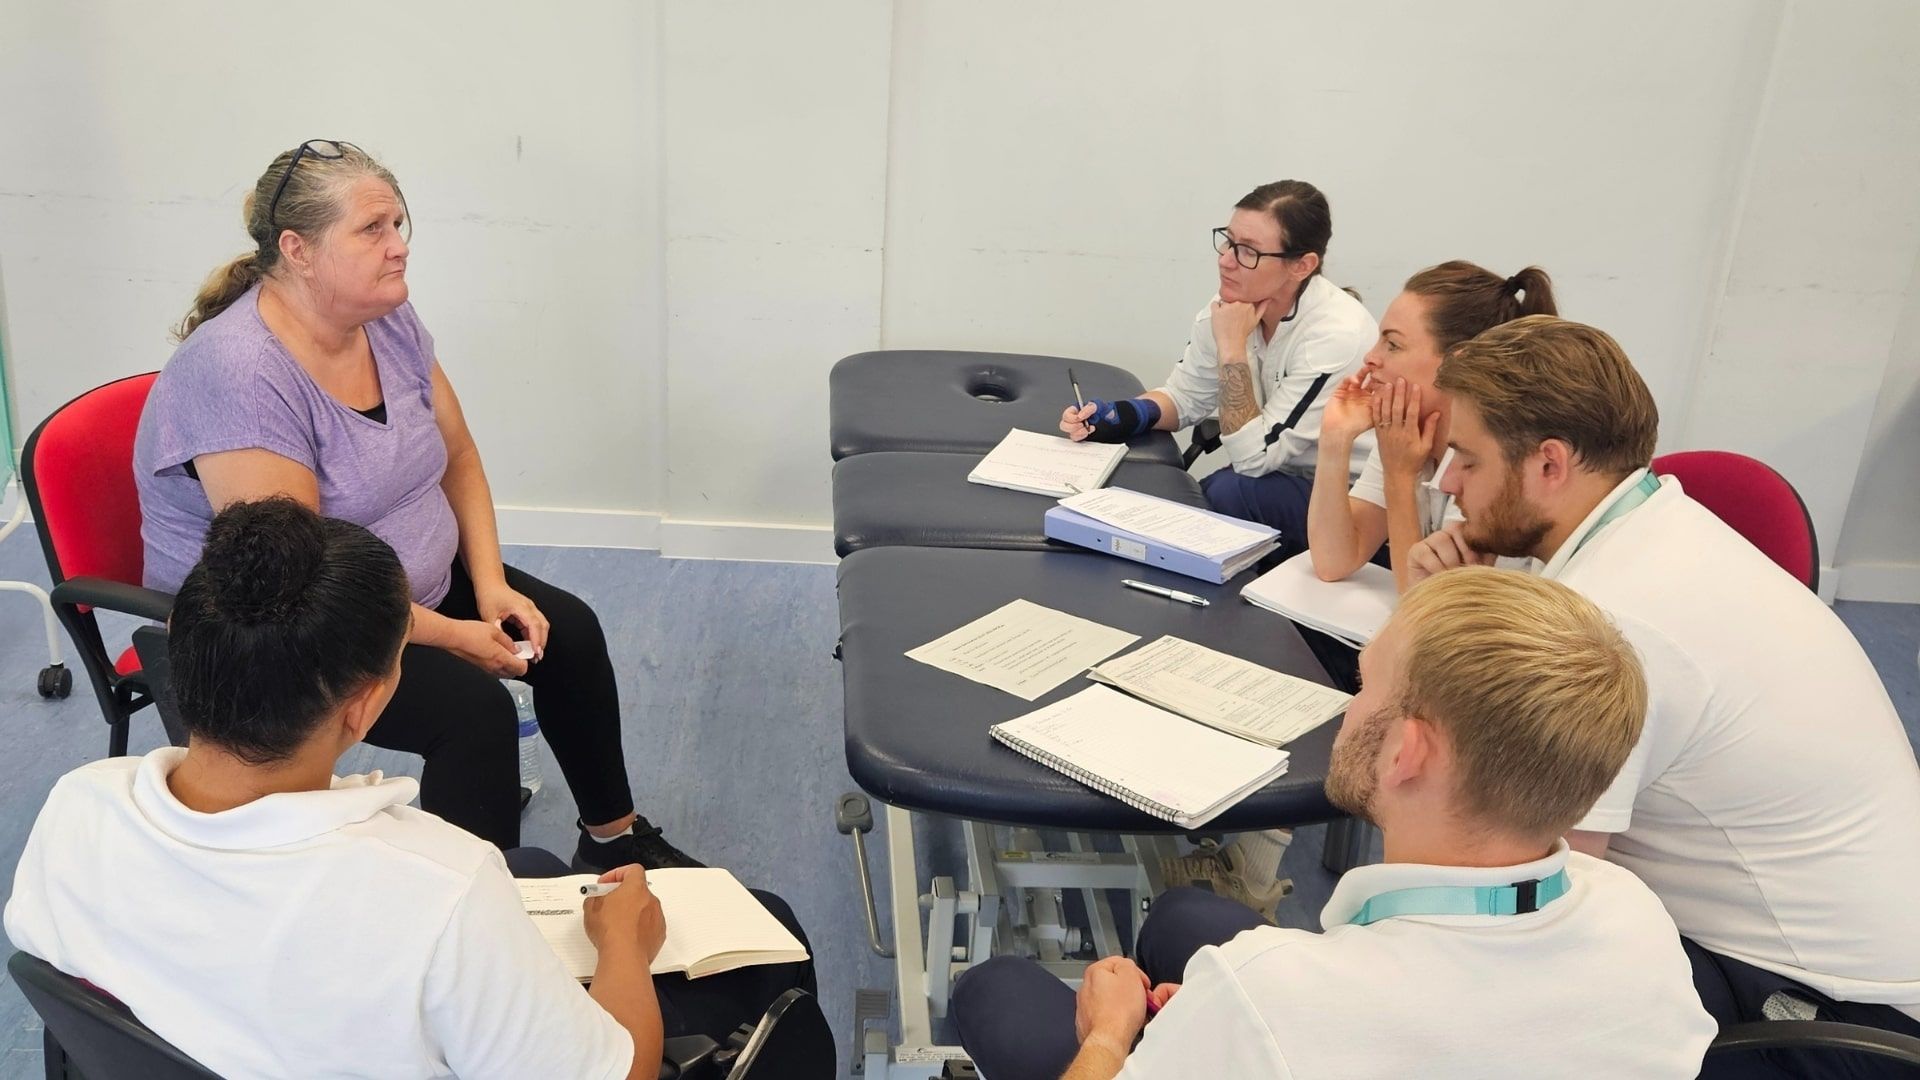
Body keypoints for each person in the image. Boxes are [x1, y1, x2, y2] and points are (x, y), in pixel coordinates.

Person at [4, 499, 817, 1079]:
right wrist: (623, 947)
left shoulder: (77, 805)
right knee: (774, 934)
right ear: (362, 707)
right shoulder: (442, 889)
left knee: (532, 869)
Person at [133, 140, 688, 868]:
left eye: (397, 224)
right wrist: (455, 636)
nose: (398, 246)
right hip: (279, 626)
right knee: (472, 715)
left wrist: (489, 585)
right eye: (372, 229)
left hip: (394, 583)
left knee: (570, 635)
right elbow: (300, 580)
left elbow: (458, 455)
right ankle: (479, 903)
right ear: (298, 250)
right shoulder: (238, 372)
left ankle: (614, 839)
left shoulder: (383, 316)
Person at [950, 568, 1716, 1078]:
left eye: (1364, 685)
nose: (1348, 709)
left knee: (995, 989)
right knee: (1184, 916)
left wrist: (1110, 1035)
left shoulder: (1271, 997)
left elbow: (1289, 1016)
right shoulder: (1638, 919)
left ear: (1407, 752)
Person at [1407, 315, 1920, 1077]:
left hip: (1830, 1022)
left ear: (1549, 463)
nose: (1447, 482)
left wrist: (1440, 633)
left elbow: (1537, 888)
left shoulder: (1616, 619)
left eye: (1467, 458)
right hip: (1843, 959)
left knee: (1473, 979)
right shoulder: (1657, 523)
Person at [1058, 180, 1376, 551]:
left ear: (1301, 266)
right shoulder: (1236, 304)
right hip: (1277, 475)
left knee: (1223, 495)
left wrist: (1231, 348)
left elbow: (1254, 460)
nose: (1226, 260)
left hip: (1349, 498)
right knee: (1203, 500)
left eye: (1248, 251)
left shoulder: (1334, 336)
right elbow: (1184, 397)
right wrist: (1118, 416)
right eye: (1228, 240)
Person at [1306, 261, 1556, 592]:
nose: (1370, 358)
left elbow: (1426, 600)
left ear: (1458, 362)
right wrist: (1335, 438)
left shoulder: (1491, 459)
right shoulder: (1404, 430)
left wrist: (1399, 477)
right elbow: (1332, 561)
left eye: (1393, 345)